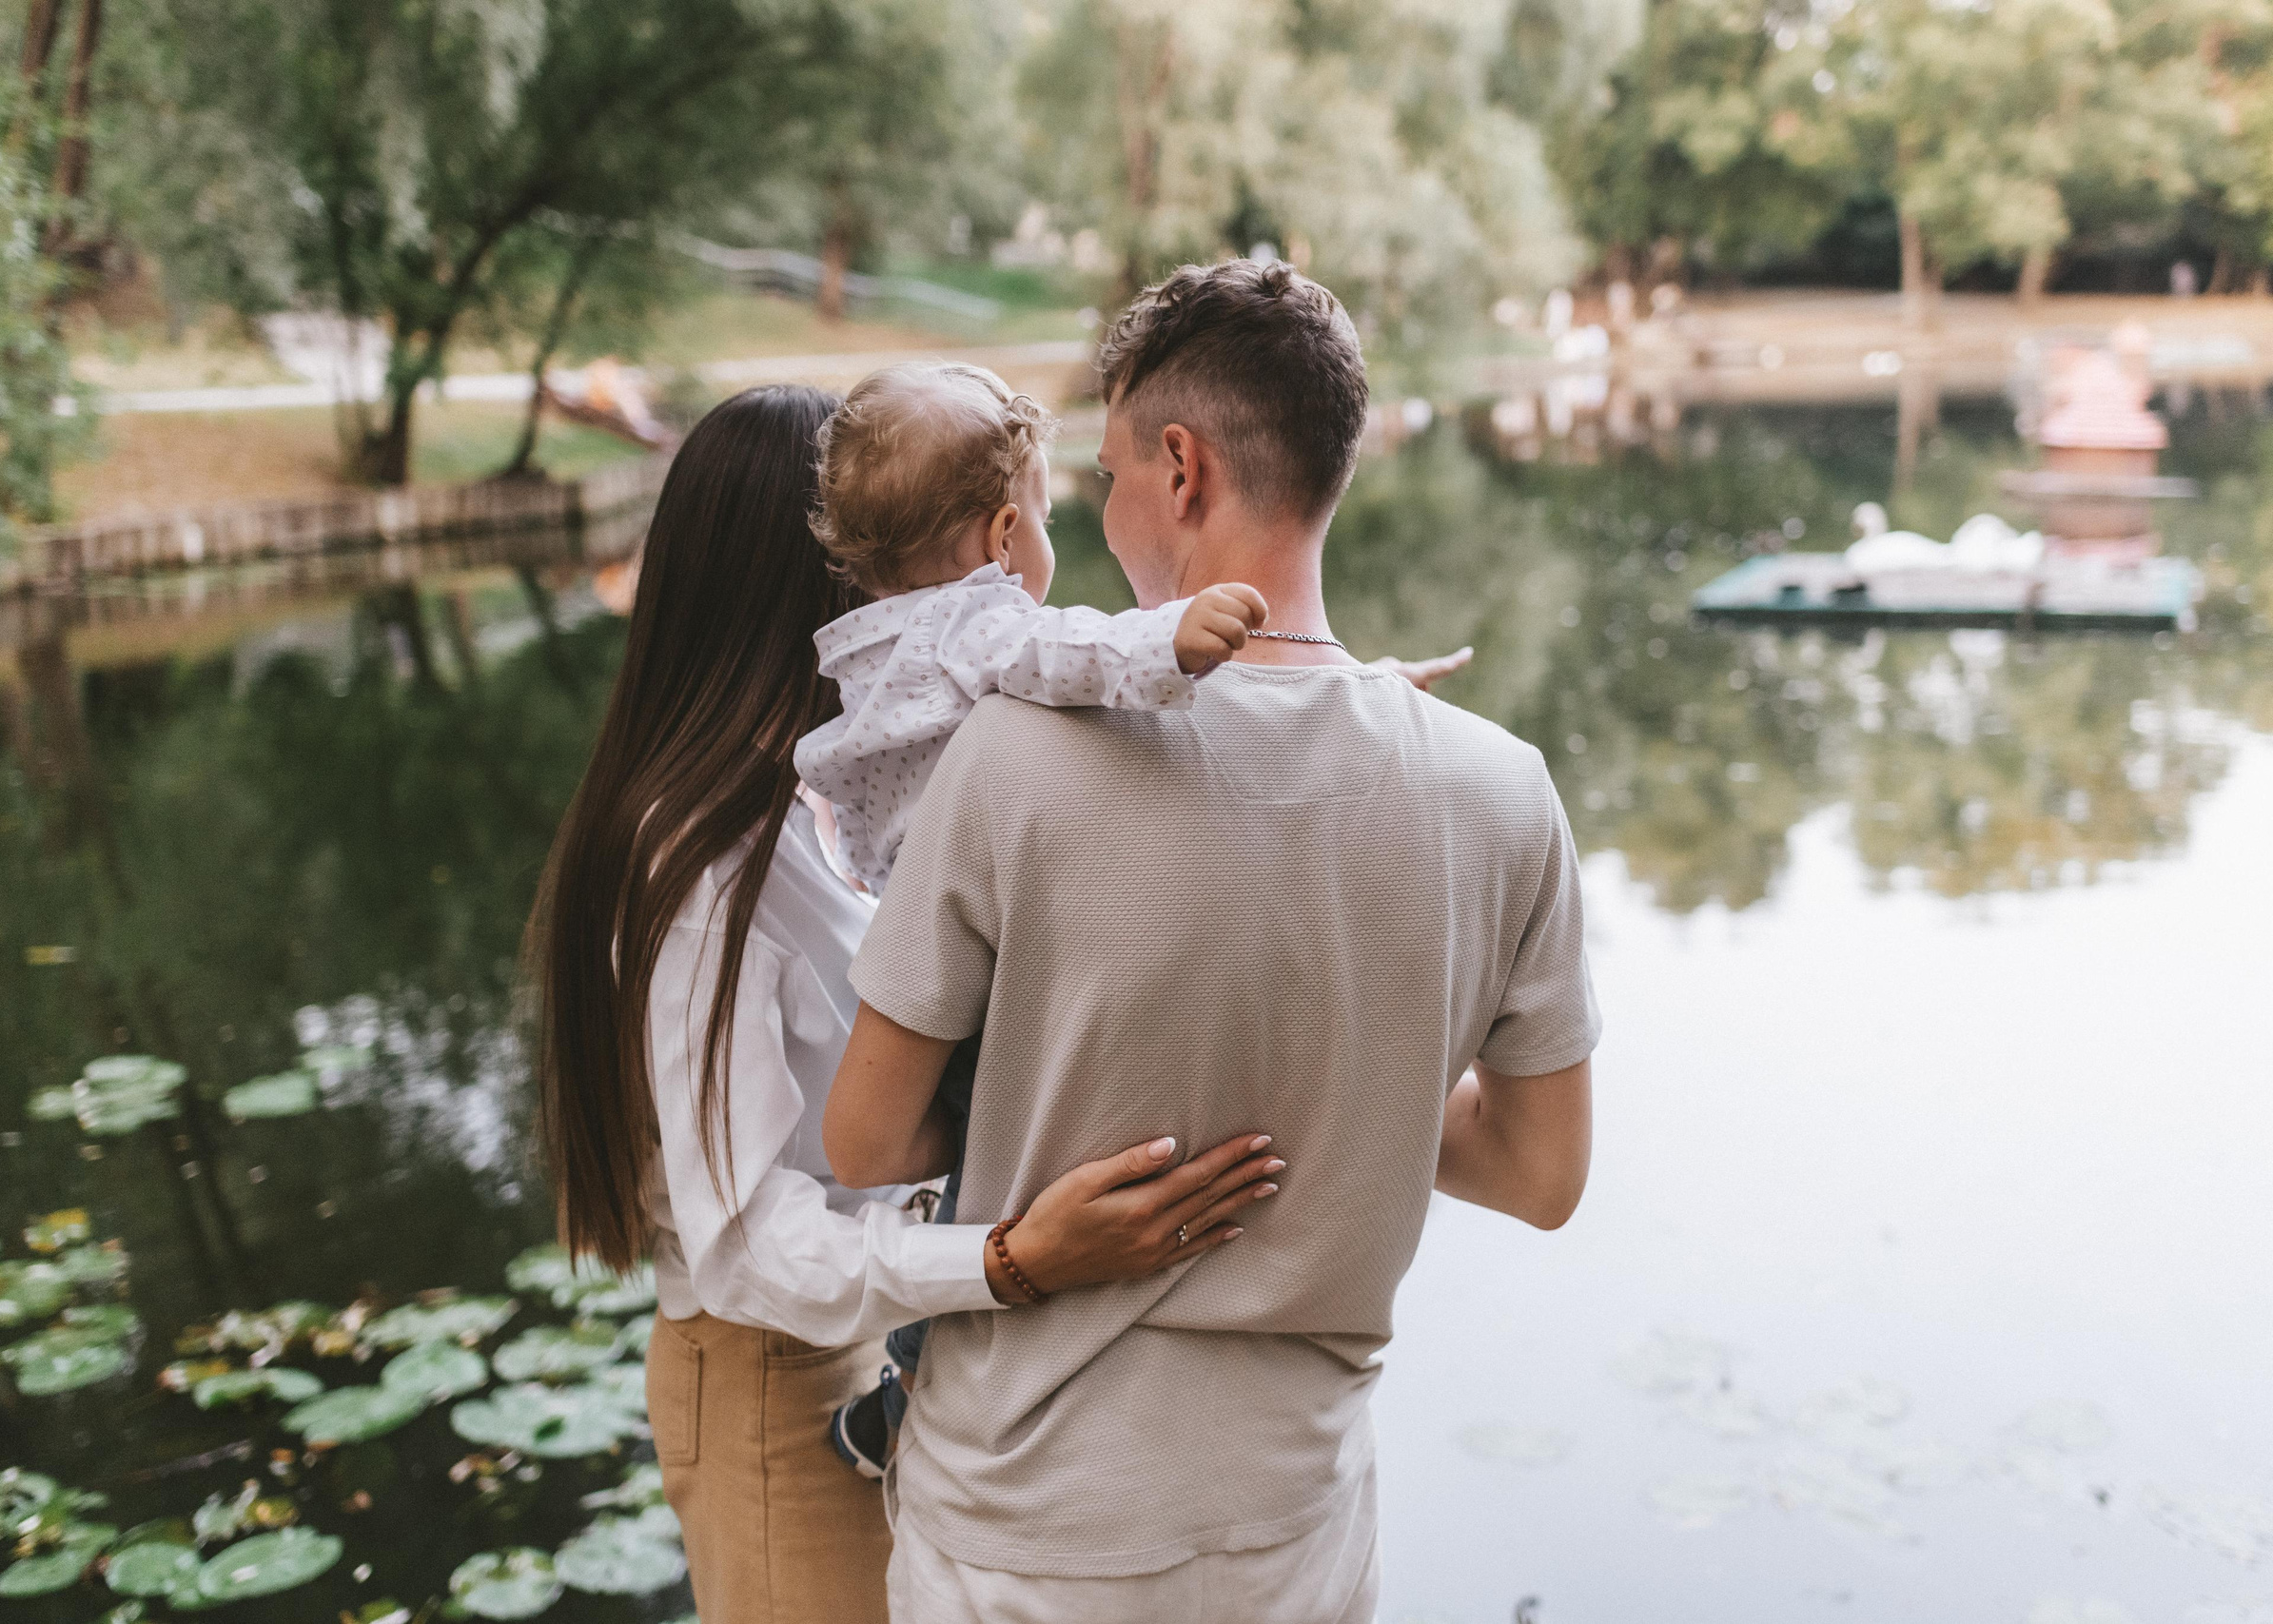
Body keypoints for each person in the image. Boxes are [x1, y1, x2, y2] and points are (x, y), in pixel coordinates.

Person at [823, 261, 1600, 1622]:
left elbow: (869, 1140)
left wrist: (1088, 1088)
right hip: (1298, 1537)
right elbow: (1541, 1174)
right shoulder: (1502, 790)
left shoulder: (1008, 756)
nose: (1096, 509)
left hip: (1024, 1540)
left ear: (1180, 470)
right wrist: (1337, 1069)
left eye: (1110, 474)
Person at [522, 382, 1284, 1624]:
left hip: (884, 1346)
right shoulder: (695, 866)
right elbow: (743, 1242)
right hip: (781, 1383)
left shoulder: (827, 799)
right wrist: (1010, 1261)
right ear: (814, 580)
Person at [793, 360, 1474, 1476]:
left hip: (933, 941)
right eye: (1051, 512)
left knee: (975, 1178)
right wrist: (1174, 637)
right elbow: (1070, 652)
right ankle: (908, 1386)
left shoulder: (873, 641)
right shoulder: (975, 631)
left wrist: (1360, 683)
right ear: (1004, 536)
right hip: (982, 965)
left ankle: (904, 1390)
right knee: (1007, 1180)